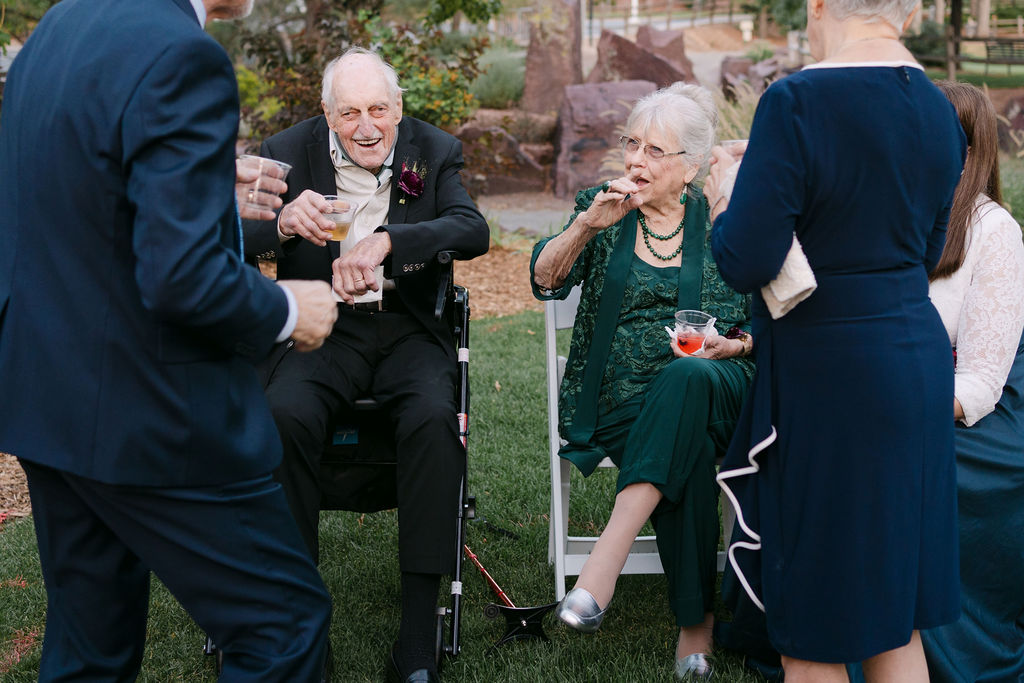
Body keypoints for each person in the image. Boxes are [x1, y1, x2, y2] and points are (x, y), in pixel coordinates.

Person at [0, 0, 342, 681]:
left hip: (49, 398)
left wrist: (208, 187)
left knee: (88, 652)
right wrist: (284, 307)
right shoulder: (182, 54)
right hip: (153, 409)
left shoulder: (62, 23)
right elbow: (181, 277)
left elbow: (83, 198)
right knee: (282, 626)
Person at [704, 0, 967, 678]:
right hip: (916, 358)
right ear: (904, 13)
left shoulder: (795, 101)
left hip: (831, 375)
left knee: (815, 626)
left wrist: (725, 195)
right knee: (893, 615)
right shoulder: (939, 108)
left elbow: (747, 259)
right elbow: (929, 248)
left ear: (820, 5)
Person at [242, 47, 489, 683]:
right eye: (348, 112)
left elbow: (471, 229)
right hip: (323, 325)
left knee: (436, 418)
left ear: (399, 108)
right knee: (282, 413)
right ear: (327, 114)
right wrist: (283, 227)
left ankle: (416, 632)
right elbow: (230, 239)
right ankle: (299, 623)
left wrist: (391, 240)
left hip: (408, 329)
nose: (366, 126)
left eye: (378, 109)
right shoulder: (285, 152)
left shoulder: (433, 151)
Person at [531, 83, 754, 680]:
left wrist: (733, 344)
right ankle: (695, 627)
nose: (635, 161)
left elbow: (771, 321)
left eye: (656, 151)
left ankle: (603, 562)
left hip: (724, 379)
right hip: (619, 401)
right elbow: (546, 280)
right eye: (632, 144)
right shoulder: (600, 208)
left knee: (688, 377)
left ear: (692, 167)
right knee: (691, 442)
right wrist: (585, 226)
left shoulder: (726, 217)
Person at [918, 81, 1024, 683]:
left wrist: (904, 409)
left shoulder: (994, 231)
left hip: (965, 402)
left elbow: (982, 380)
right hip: (879, 393)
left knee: (920, 467)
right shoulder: (882, 209)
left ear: (965, 150)